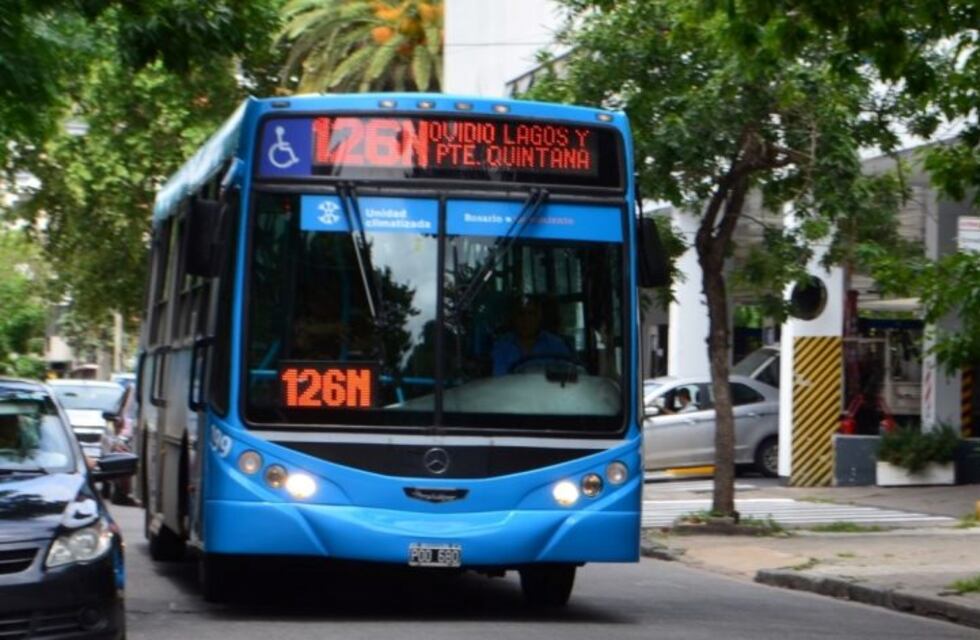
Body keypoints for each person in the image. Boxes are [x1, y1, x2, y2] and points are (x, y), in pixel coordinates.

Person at [492, 297, 571, 375]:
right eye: (521, 314)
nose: (526, 319)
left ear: (539, 316)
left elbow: (568, 377)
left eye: (531, 314)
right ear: (514, 318)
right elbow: (499, 379)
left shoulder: (556, 345)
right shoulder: (502, 347)